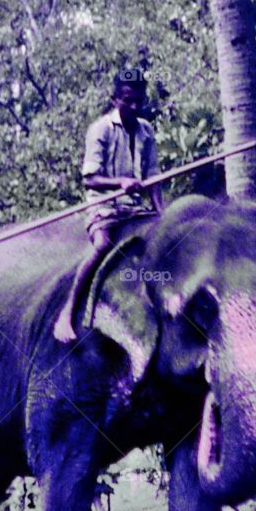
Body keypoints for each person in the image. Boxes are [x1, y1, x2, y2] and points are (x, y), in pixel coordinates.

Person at [53, 69, 163, 343]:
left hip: (134, 208)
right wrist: (120, 184)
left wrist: (162, 212)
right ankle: (67, 314)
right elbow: (90, 179)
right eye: (128, 100)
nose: (134, 107)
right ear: (115, 99)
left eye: (139, 101)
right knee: (102, 246)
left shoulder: (146, 131)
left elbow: (153, 179)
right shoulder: (100, 129)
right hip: (105, 209)